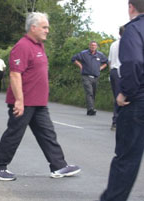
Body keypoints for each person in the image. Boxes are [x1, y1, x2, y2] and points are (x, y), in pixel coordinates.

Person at [0, 12, 81, 181]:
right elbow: (15, 75)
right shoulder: (22, 46)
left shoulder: (38, 45)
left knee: (47, 134)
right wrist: (19, 101)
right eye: (44, 27)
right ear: (33, 27)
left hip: (38, 102)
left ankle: (58, 166)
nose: (47, 30)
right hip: (24, 102)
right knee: (14, 134)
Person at [99, 1, 144, 201]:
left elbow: (134, 61)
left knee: (126, 158)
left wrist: (125, 92)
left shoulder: (133, 29)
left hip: (139, 101)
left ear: (130, 7)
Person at [71, 41, 108, 116]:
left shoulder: (100, 55)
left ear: (96, 46)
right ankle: (91, 109)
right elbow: (73, 59)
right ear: (89, 46)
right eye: (92, 45)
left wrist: (100, 68)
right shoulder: (83, 53)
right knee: (89, 92)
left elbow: (106, 62)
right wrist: (80, 66)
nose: (93, 47)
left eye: (94, 45)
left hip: (95, 77)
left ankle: (90, 109)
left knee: (93, 93)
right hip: (86, 76)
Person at [108, 26, 125, 131]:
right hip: (120, 71)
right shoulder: (125, 43)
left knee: (117, 97)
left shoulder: (113, 44)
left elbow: (109, 61)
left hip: (113, 71)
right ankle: (116, 121)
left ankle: (117, 121)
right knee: (122, 97)